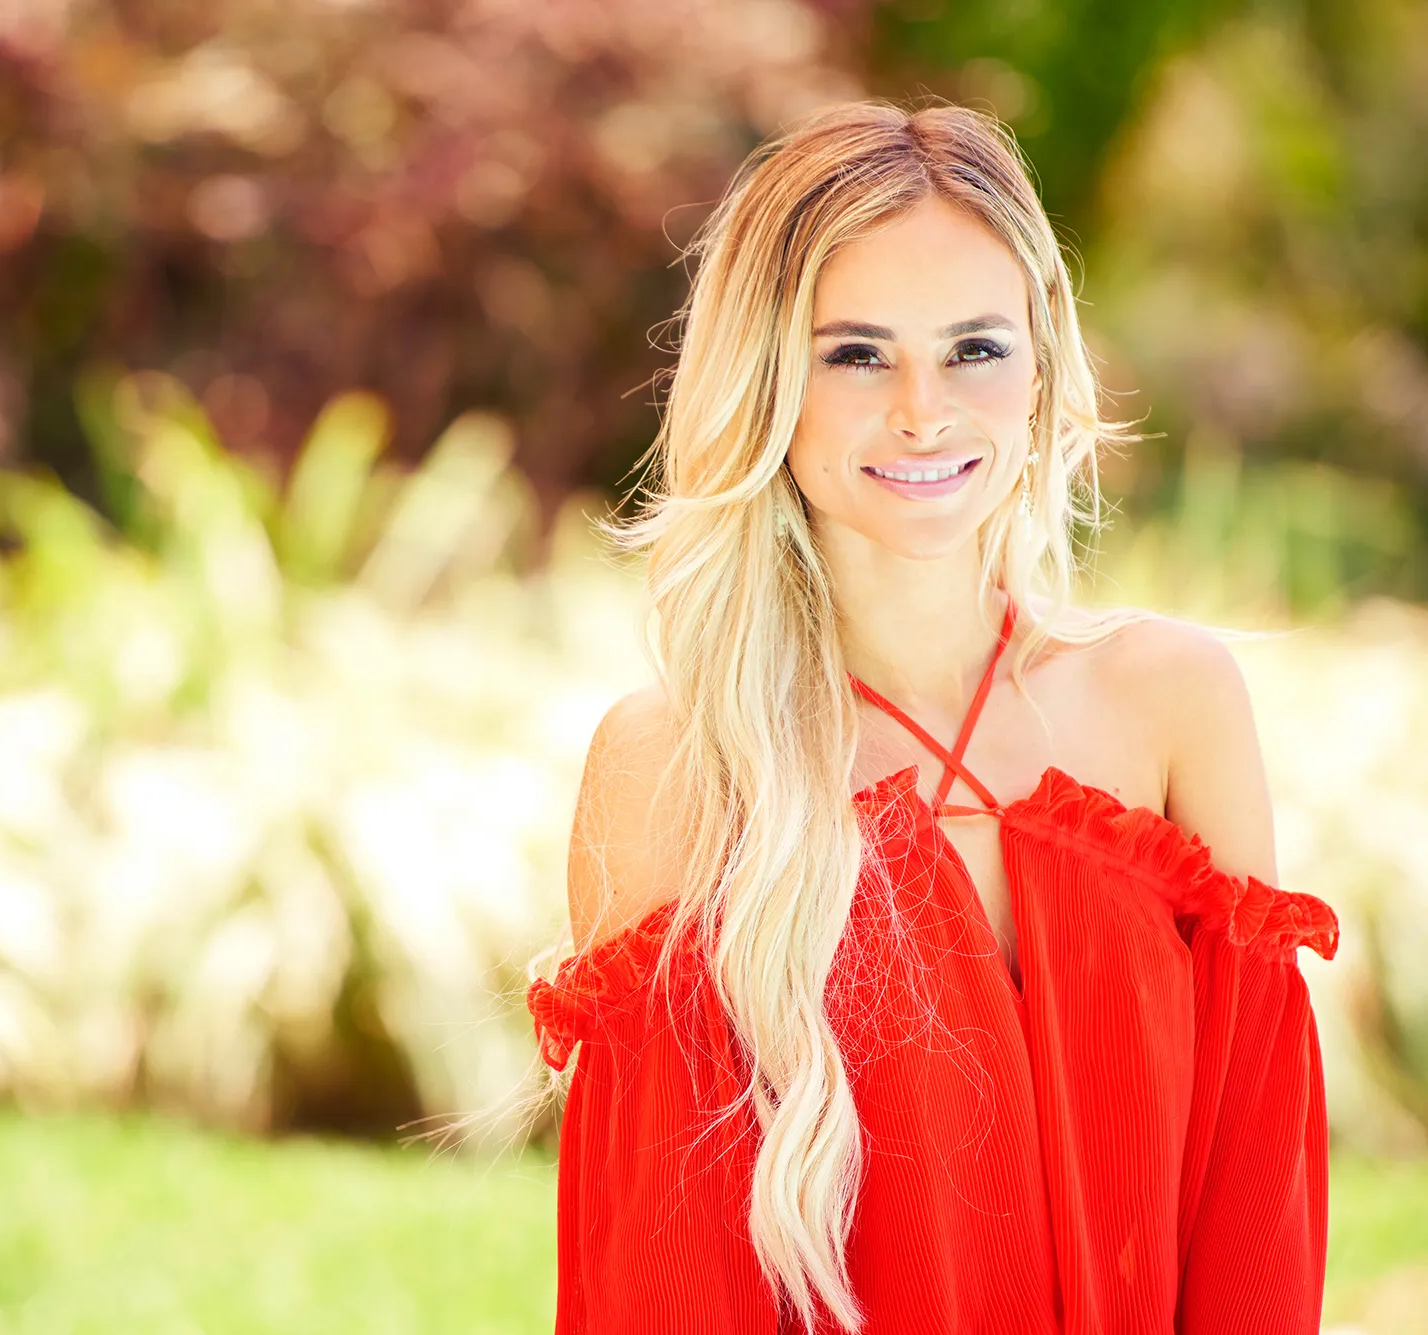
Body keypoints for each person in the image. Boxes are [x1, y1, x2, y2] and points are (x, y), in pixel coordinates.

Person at [524, 99, 1340, 1335]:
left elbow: (1253, 1214)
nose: (922, 410)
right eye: (855, 354)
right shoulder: (673, 764)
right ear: (764, 376)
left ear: (1040, 365)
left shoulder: (1168, 701)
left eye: (974, 349)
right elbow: (658, 1281)